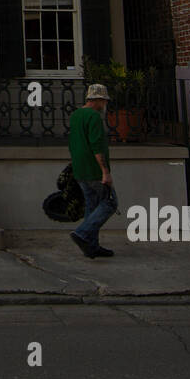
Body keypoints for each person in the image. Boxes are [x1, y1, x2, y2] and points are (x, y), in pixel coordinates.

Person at [68, 83, 117, 258]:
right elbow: (96, 145)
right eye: (103, 101)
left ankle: (92, 246)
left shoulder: (75, 115)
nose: (104, 104)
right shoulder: (94, 117)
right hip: (93, 169)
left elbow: (73, 142)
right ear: (97, 100)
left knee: (92, 206)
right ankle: (82, 232)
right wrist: (105, 171)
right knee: (110, 202)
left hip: (80, 168)